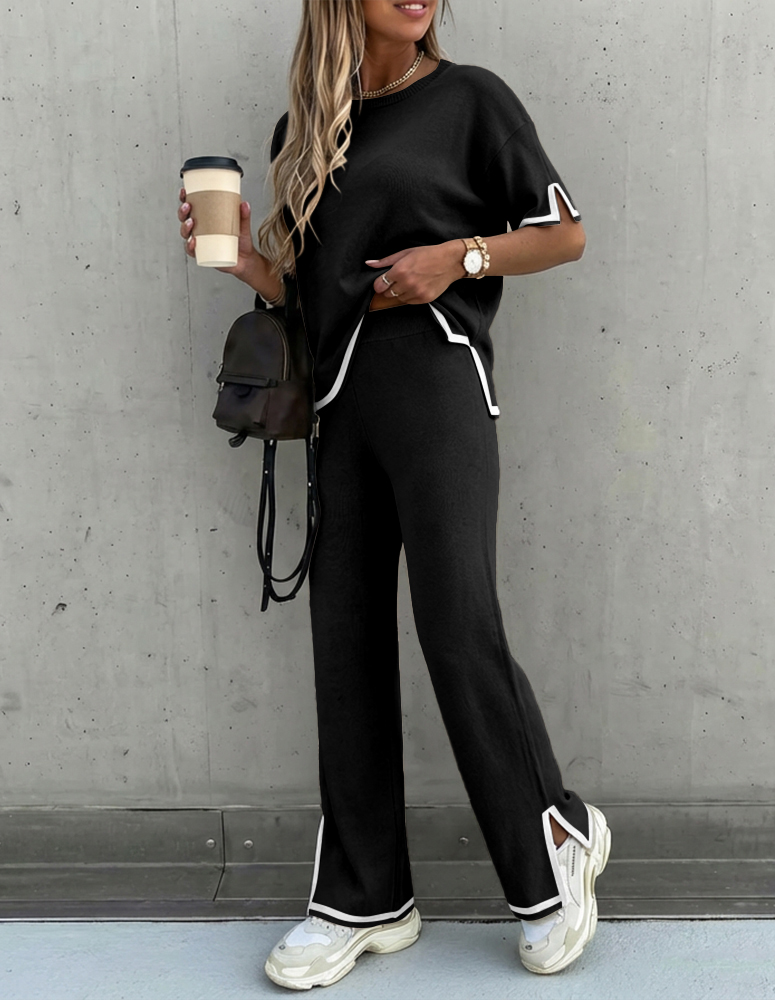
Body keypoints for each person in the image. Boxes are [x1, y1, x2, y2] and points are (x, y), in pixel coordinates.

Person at [178, 0, 611, 988]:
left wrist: (454, 257)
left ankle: (554, 839)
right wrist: (245, 260)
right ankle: (364, 897)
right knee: (346, 646)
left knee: (457, 624)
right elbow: (314, 297)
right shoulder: (303, 132)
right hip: (339, 409)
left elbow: (564, 234)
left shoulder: (470, 100)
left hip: (438, 384)